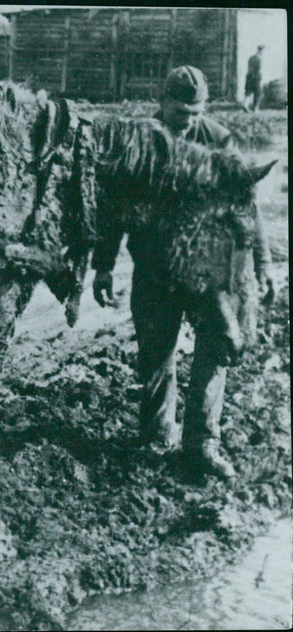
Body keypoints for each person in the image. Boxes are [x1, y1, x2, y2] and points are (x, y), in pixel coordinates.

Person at [91, 65, 274, 480]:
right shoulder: (140, 141)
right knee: (156, 356)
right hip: (155, 269)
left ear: (204, 108)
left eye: (195, 113)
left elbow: (247, 203)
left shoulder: (219, 140)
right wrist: (102, 267)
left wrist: (262, 265)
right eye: (179, 112)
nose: (188, 122)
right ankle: (157, 439)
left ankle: (202, 443)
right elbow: (114, 209)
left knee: (215, 350)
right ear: (163, 103)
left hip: (206, 276)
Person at [244, 45, 264, 112]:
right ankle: (255, 108)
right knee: (257, 92)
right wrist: (260, 77)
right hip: (256, 77)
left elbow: (249, 67)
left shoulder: (251, 57)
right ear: (261, 51)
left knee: (248, 91)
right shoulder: (259, 59)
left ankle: (245, 104)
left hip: (249, 76)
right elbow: (259, 69)